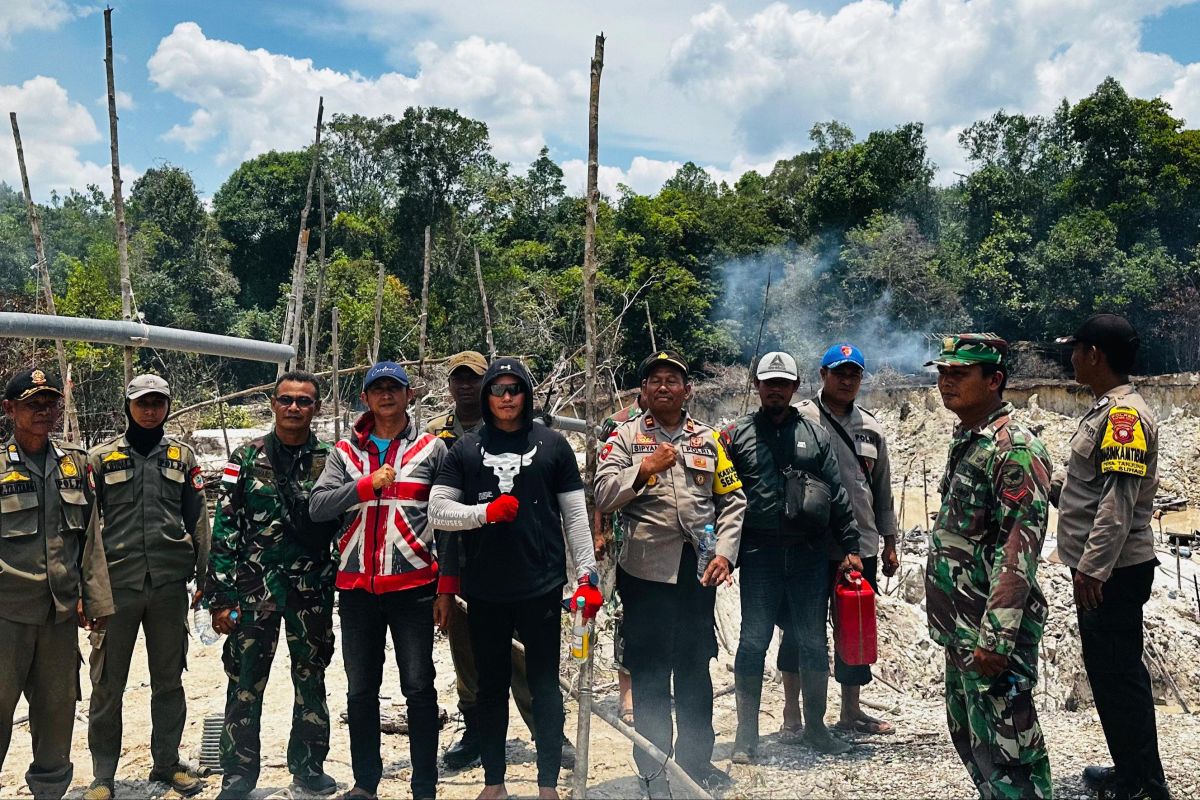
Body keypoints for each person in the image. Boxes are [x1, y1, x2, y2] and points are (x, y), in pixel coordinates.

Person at [429, 357, 599, 800]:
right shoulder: (465, 449)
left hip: (541, 587)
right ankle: (494, 783)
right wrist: (483, 513)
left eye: (514, 389)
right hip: (484, 590)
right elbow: (438, 512)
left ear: (526, 393)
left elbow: (576, 518)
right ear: (486, 396)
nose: (506, 398)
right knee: (491, 688)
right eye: (497, 389)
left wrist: (588, 577)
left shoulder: (554, 445)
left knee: (545, 686)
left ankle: (546, 785)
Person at [594, 350, 745, 796]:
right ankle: (654, 770)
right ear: (642, 391)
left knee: (696, 667)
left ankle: (695, 765)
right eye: (654, 380)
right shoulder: (623, 438)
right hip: (644, 572)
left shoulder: (709, 439)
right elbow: (603, 494)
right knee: (650, 672)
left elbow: (733, 500)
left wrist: (726, 552)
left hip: (698, 573)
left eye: (672, 380)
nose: (663, 386)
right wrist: (643, 470)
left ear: (687, 390)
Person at [310, 361, 446, 800]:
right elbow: (318, 507)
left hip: (414, 588)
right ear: (365, 398)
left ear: (410, 395)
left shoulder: (432, 450)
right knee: (361, 690)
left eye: (395, 388)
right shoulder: (345, 454)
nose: (386, 395)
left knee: (419, 686)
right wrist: (365, 486)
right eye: (377, 389)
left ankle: (424, 785)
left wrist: (447, 586)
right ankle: (366, 782)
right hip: (356, 591)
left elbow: (446, 520)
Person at [925, 335, 1053, 799]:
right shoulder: (970, 441)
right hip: (962, 629)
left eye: (959, 374)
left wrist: (997, 639)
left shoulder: (1013, 448)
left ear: (995, 380)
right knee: (977, 746)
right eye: (942, 372)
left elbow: (1018, 549)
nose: (945, 382)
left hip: (989, 634)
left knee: (1012, 754)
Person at [205, 370, 341, 799]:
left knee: (311, 678)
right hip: (254, 591)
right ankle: (239, 773)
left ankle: (308, 766)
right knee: (245, 682)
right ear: (273, 404)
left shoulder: (331, 460)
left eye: (304, 401)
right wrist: (221, 597)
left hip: (311, 590)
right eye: (287, 400)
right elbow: (225, 528)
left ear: (316, 407)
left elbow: (346, 524)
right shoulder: (245, 458)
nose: (294, 408)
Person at [722, 351, 861, 762]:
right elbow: (720, 497)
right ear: (758, 386)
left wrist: (850, 547)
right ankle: (746, 737)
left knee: (812, 642)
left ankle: (816, 728)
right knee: (752, 641)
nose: (776, 389)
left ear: (796, 386)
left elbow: (837, 493)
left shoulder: (815, 435)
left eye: (784, 382)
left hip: (808, 555)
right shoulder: (737, 435)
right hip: (760, 554)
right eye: (769, 382)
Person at [1054, 315, 1168, 800]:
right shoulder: (1106, 411)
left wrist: (1091, 567)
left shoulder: (1123, 418)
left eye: (1076, 349)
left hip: (1112, 571)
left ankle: (1144, 783)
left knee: (1120, 678)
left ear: (1095, 354)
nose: (1072, 357)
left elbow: (1118, 504)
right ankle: (1131, 772)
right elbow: (1088, 492)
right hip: (1108, 568)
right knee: (1110, 675)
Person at [85, 375, 211, 800]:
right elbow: (85, 529)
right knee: (107, 684)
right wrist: (88, 588)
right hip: (116, 586)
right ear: (128, 406)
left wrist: (204, 579)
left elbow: (198, 518)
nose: (150, 410)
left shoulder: (182, 456)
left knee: (169, 679)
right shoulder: (100, 459)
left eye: (158, 402)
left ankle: (167, 763)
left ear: (168, 406)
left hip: (168, 585)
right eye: (142, 402)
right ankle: (103, 774)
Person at [0, 367, 113, 800]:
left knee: (56, 714)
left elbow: (90, 538)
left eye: (50, 403)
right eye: (33, 404)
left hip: (59, 615)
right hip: (7, 615)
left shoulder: (76, 464)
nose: (44, 411)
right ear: (10, 410)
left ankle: (50, 791)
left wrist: (95, 598)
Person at [795, 344, 898, 737]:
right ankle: (804, 715)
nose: (846, 380)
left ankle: (850, 710)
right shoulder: (801, 418)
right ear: (822, 376)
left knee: (853, 626)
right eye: (839, 372)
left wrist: (890, 542)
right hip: (811, 542)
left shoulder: (871, 427)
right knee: (806, 628)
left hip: (861, 543)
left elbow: (882, 490)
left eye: (854, 373)